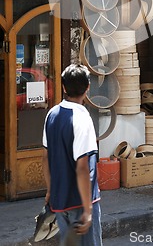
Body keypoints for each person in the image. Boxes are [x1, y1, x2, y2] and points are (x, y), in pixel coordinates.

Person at [42, 63, 102, 245]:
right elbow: (82, 168)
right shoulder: (82, 119)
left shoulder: (51, 115)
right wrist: (88, 209)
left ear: (64, 87)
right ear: (88, 88)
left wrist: (50, 190)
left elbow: (45, 158)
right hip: (79, 202)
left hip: (59, 201)